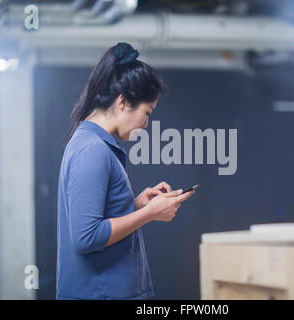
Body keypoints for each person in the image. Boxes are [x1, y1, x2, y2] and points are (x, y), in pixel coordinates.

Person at [56, 42, 195, 300]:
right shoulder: (92, 149)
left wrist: (138, 205)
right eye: (147, 112)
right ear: (123, 101)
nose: (146, 122)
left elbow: (97, 218)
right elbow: (86, 236)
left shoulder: (93, 144)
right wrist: (151, 214)